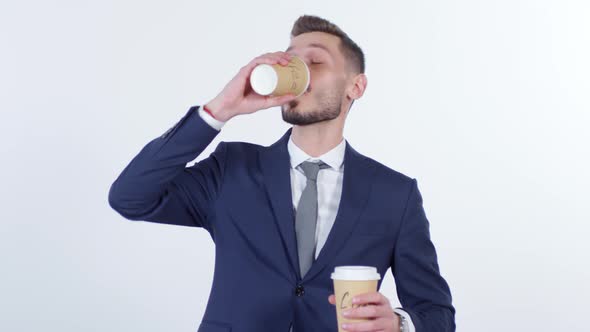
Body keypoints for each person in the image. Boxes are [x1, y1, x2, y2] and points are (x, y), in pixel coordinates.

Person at [108, 14, 455, 332]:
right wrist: (219, 110)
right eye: (292, 62)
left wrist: (399, 323)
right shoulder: (232, 168)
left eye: (315, 61)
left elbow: (437, 314)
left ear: (356, 86)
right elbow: (130, 197)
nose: (299, 71)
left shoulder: (395, 194)